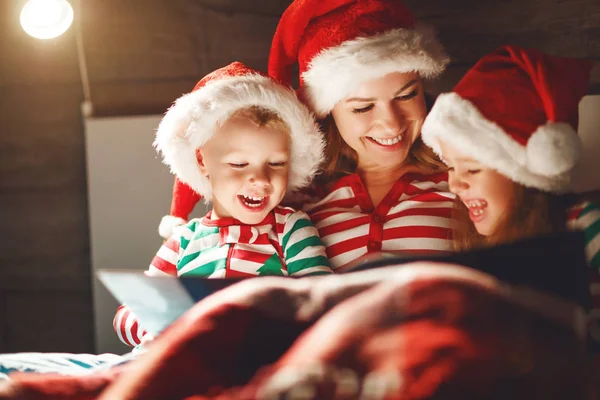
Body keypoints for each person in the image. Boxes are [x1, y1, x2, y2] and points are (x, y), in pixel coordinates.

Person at [159, 0, 458, 272]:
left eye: (407, 95)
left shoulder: (462, 181)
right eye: (363, 107)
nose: (391, 124)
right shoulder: (293, 201)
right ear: (326, 110)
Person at [111, 62, 333, 348]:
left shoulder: (291, 228)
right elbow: (127, 314)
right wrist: (158, 328)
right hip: (190, 357)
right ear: (202, 161)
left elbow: (321, 301)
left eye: (276, 163)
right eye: (239, 164)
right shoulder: (183, 241)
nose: (262, 179)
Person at [420, 45, 600, 349]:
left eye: (473, 170)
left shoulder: (584, 223)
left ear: (522, 175)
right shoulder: (474, 247)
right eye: (450, 167)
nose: (455, 185)